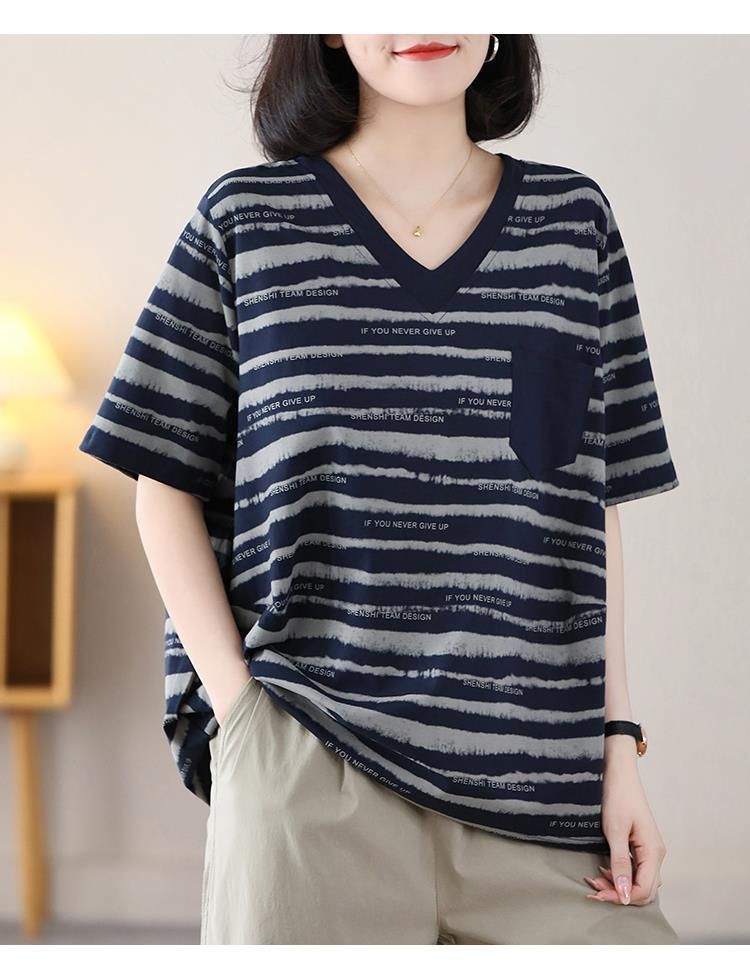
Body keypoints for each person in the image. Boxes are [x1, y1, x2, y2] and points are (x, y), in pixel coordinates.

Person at [78, 34, 682, 944]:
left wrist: (617, 744)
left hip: (539, 793)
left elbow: (590, 512)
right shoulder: (246, 221)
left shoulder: (572, 224)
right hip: (310, 770)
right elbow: (162, 480)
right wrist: (245, 720)